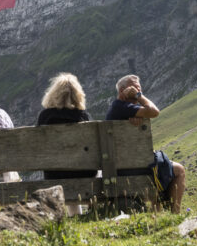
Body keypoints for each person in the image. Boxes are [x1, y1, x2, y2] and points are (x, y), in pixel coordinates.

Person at [105, 74, 186, 213]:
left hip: (120, 166)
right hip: (136, 168)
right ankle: (175, 213)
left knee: (161, 164)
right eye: (133, 87)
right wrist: (140, 96)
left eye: (139, 88)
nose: (137, 90)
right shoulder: (122, 106)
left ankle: (159, 212)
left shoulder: (121, 109)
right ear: (122, 90)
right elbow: (154, 112)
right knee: (179, 170)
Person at [37, 72, 97, 216]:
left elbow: (38, 146)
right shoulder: (82, 116)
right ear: (78, 95)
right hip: (84, 172)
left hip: (54, 173)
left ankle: (75, 215)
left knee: (61, 168)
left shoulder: (46, 116)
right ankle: (85, 214)